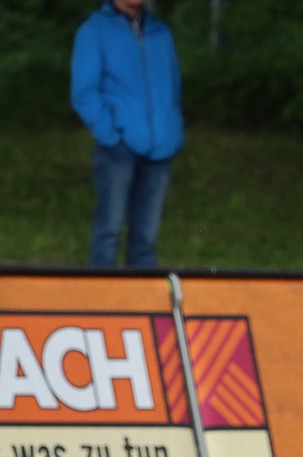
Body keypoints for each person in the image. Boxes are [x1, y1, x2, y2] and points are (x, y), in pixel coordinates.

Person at [71, 0, 184, 268]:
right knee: (109, 233)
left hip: (161, 150)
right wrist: (111, 135)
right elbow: (84, 92)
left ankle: (141, 294)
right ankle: (102, 293)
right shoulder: (94, 31)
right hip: (118, 150)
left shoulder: (161, 33)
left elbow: (174, 86)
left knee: (146, 239)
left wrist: (174, 130)